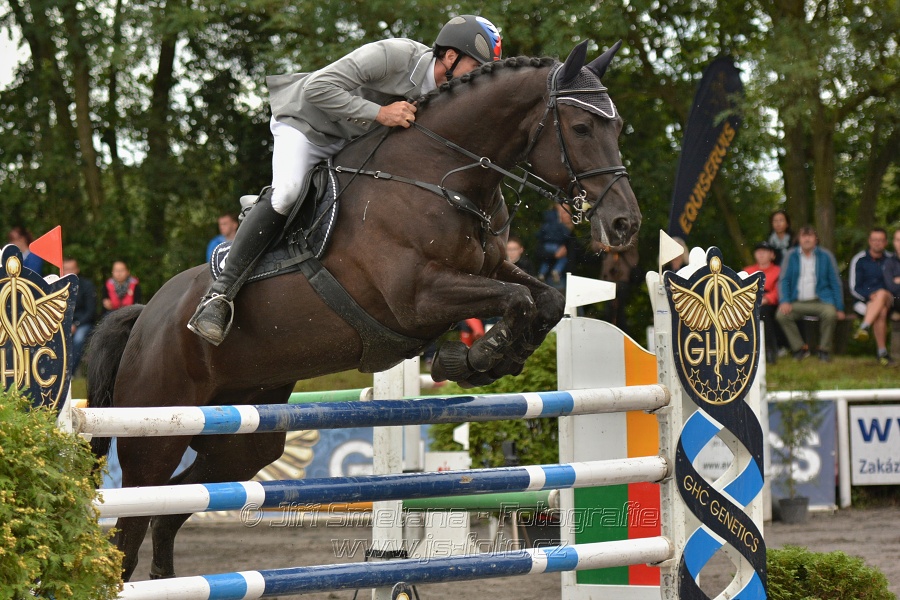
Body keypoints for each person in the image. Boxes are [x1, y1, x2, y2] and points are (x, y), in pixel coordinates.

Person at [188, 15, 503, 346]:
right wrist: (380, 113)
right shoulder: (393, 55)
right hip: (307, 127)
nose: (478, 80)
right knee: (288, 193)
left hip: (355, 147)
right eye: (477, 67)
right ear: (450, 57)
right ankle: (219, 294)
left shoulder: (447, 98)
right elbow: (318, 87)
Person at [776, 226, 845, 362]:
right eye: (804, 236)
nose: (807, 239)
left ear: (816, 239)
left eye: (810, 235)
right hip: (797, 302)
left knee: (830, 314)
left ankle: (824, 350)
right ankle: (799, 349)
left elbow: (835, 282)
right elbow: (784, 280)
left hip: (821, 301)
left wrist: (839, 307)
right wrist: (784, 300)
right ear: (798, 239)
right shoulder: (791, 255)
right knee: (781, 315)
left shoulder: (826, 256)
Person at [848, 227, 894, 365]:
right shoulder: (859, 259)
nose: (877, 243)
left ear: (885, 242)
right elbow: (853, 287)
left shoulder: (892, 259)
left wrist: (879, 295)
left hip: (888, 299)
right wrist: (869, 296)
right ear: (869, 241)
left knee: (882, 293)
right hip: (863, 302)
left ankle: (864, 327)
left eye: (880, 240)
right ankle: (882, 353)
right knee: (881, 311)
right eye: (874, 240)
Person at [744, 241, 780, 364]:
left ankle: (769, 350)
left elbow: (779, 291)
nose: (761, 254)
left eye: (764, 252)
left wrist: (766, 299)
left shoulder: (778, 271)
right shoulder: (748, 271)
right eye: (758, 252)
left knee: (763, 313)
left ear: (772, 255)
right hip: (750, 302)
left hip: (770, 304)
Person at [62, 257, 97, 373]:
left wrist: (76, 324)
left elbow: (90, 311)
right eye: (66, 269)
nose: (69, 272)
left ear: (77, 270)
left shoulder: (87, 286)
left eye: (71, 269)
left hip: (82, 324)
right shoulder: (57, 287)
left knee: (78, 339)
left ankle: (69, 372)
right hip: (62, 324)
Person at [598, 243, 639, 336]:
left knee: (620, 311)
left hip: (623, 277)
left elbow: (627, 244)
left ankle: (623, 338)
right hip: (608, 277)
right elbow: (595, 245)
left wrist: (609, 247)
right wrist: (601, 245)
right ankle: (608, 337)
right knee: (608, 311)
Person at [536, 204, 574, 284]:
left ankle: (542, 274)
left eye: (568, 211)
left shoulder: (571, 233)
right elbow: (538, 252)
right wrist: (554, 255)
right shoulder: (562, 231)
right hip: (553, 281)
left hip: (569, 279)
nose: (568, 215)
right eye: (564, 212)